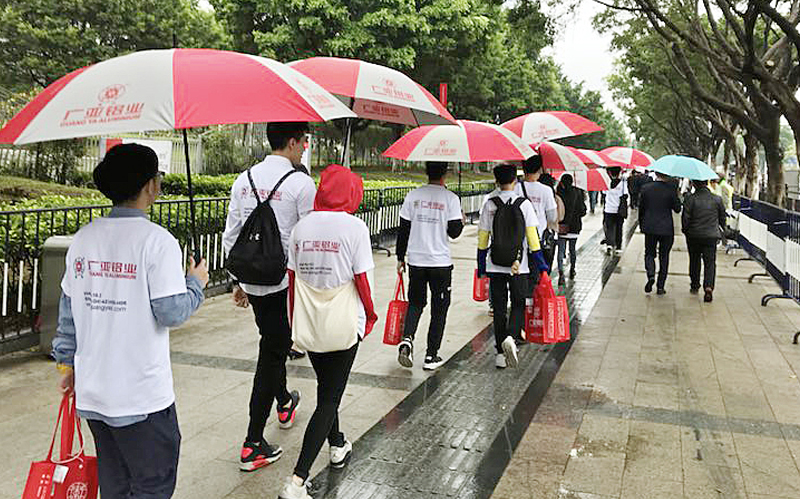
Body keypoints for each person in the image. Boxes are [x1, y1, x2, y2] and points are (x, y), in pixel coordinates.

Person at [52, 143, 209, 498]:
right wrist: (195, 284)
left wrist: (67, 365)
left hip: (94, 393)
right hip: (142, 398)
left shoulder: (83, 239)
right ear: (151, 186)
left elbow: (68, 313)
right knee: (152, 486)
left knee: (116, 485)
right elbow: (171, 312)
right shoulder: (158, 243)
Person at [279, 165, 378, 499]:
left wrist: (294, 324)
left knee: (326, 387)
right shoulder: (355, 228)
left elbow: (292, 279)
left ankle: (337, 444)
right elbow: (363, 280)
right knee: (329, 398)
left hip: (310, 321)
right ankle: (297, 481)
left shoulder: (301, 227)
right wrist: (370, 316)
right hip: (344, 322)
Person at [222, 122, 316, 471]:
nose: (305, 147)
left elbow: (231, 234)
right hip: (284, 282)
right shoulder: (301, 184)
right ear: (292, 142)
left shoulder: (243, 180)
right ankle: (252, 443)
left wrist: (237, 281)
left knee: (273, 342)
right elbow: (308, 238)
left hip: (253, 281)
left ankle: (285, 401)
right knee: (272, 352)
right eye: (303, 141)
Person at [478, 164, 548, 369]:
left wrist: (481, 266)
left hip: (495, 264)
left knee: (499, 309)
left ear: (496, 181)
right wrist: (541, 265)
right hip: (519, 266)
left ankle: (500, 354)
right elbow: (533, 239)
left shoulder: (489, 205)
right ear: (515, 181)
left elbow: (483, 239)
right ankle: (511, 337)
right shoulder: (524, 204)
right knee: (518, 303)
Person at [395, 161, 464, 371]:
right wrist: (460, 219)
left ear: (427, 171)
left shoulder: (413, 196)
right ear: (445, 173)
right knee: (439, 309)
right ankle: (431, 355)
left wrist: (400, 257)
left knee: (416, 303)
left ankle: (407, 339)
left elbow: (403, 229)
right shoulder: (451, 198)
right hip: (440, 263)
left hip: (416, 261)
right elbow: (454, 232)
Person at [515, 155, 558, 282]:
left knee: (520, 276)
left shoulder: (516, 188)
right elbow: (552, 216)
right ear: (539, 169)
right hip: (538, 241)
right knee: (536, 276)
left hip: (517, 239)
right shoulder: (546, 190)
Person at [682, 179, 726, 302]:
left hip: (694, 235)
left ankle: (695, 284)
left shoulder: (690, 199)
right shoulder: (717, 199)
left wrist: (686, 231)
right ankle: (708, 287)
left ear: (694, 184)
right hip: (711, 236)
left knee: (694, 260)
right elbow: (722, 217)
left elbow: (686, 218)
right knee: (710, 262)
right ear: (707, 183)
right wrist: (722, 229)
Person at [639, 173, 682, 295]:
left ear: (656, 174)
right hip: (666, 228)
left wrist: (642, 225)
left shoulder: (646, 188)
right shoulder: (671, 190)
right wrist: (677, 195)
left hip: (650, 227)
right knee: (664, 256)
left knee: (649, 253)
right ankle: (660, 286)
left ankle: (651, 275)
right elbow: (677, 209)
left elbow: (641, 208)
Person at [555, 174, 587, 286]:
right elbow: (583, 211)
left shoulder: (559, 193)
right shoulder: (578, 192)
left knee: (560, 251)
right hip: (575, 226)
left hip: (562, 226)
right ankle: (572, 270)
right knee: (572, 250)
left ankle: (561, 273)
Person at [603, 166, 628, 255]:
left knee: (609, 227)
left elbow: (604, 193)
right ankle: (618, 247)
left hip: (608, 209)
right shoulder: (623, 183)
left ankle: (609, 244)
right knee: (619, 228)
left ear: (610, 173)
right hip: (619, 210)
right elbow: (625, 195)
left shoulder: (606, 182)